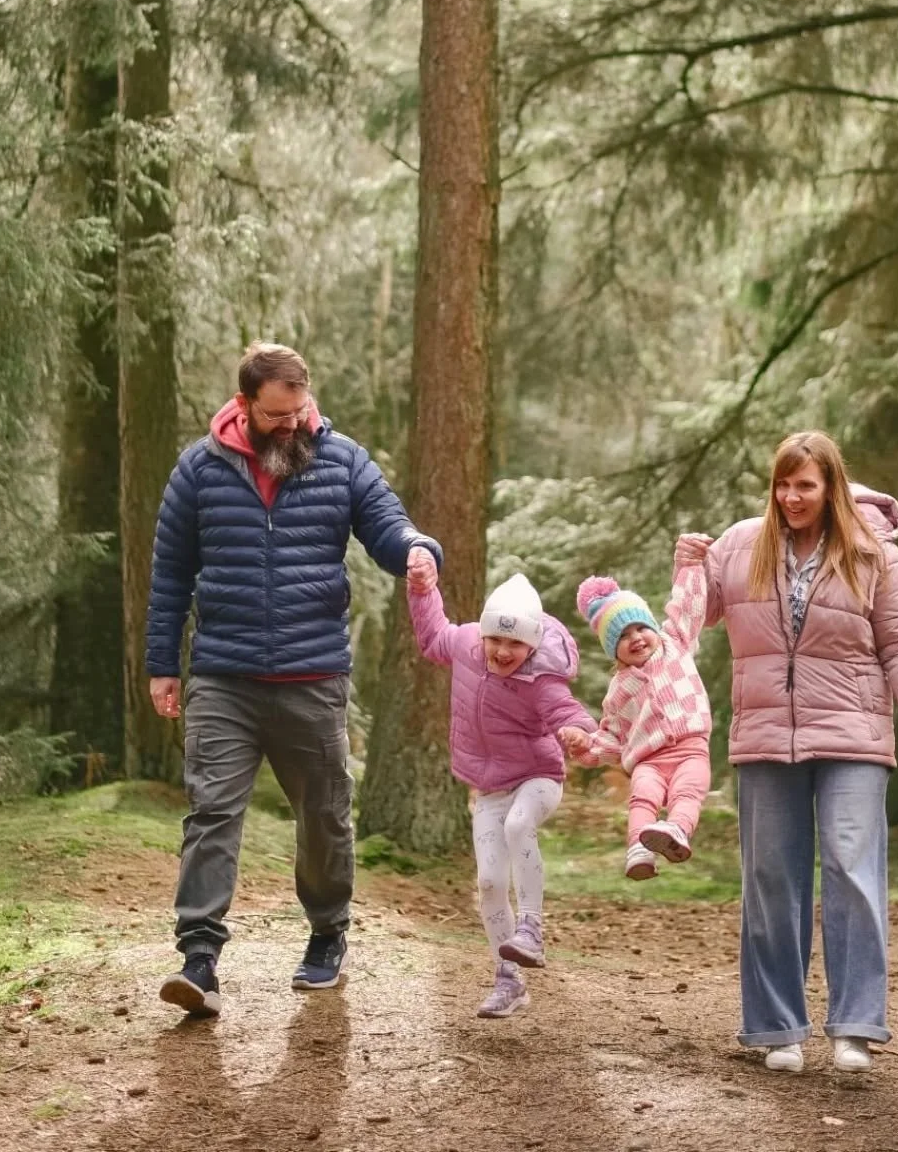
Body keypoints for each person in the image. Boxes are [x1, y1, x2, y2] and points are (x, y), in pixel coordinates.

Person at [144, 341, 441, 1019]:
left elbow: (387, 525)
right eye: (277, 414)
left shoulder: (341, 459)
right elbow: (168, 577)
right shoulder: (197, 470)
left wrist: (418, 551)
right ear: (245, 404)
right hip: (223, 674)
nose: (292, 425)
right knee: (213, 810)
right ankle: (199, 959)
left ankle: (327, 931)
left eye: (299, 410)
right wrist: (163, 665)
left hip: (313, 675)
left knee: (324, 814)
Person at [676, 430, 898, 1077]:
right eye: (783, 483)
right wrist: (689, 566)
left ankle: (855, 1026)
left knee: (853, 870)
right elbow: (692, 621)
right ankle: (777, 1027)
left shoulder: (873, 552)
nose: (791, 496)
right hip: (766, 734)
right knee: (772, 878)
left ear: (831, 487)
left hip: (854, 734)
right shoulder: (742, 544)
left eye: (806, 485)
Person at [406, 551, 595, 1018]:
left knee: (518, 826)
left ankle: (532, 926)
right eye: (495, 638)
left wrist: (580, 735)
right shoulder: (468, 644)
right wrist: (423, 589)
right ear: (484, 633)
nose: (503, 651)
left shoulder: (540, 679)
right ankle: (508, 980)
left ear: (531, 645)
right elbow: (433, 638)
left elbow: (569, 714)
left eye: (515, 643)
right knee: (489, 881)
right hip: (489, 789)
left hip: (538, 779)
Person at [559, 564, 712, 881]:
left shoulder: (675, 645)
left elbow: (687, 604)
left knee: (688, 792)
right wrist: (584, 744)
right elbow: (612, 739)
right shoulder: (619, 690)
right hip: (648, 761)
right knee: (642, 796)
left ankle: (677, 831)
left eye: (641, 628)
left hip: (691, 749)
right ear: (613, 650)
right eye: (623, 636)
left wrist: (692, 564)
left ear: (654, 628)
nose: (636, 638)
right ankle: (638, 851)